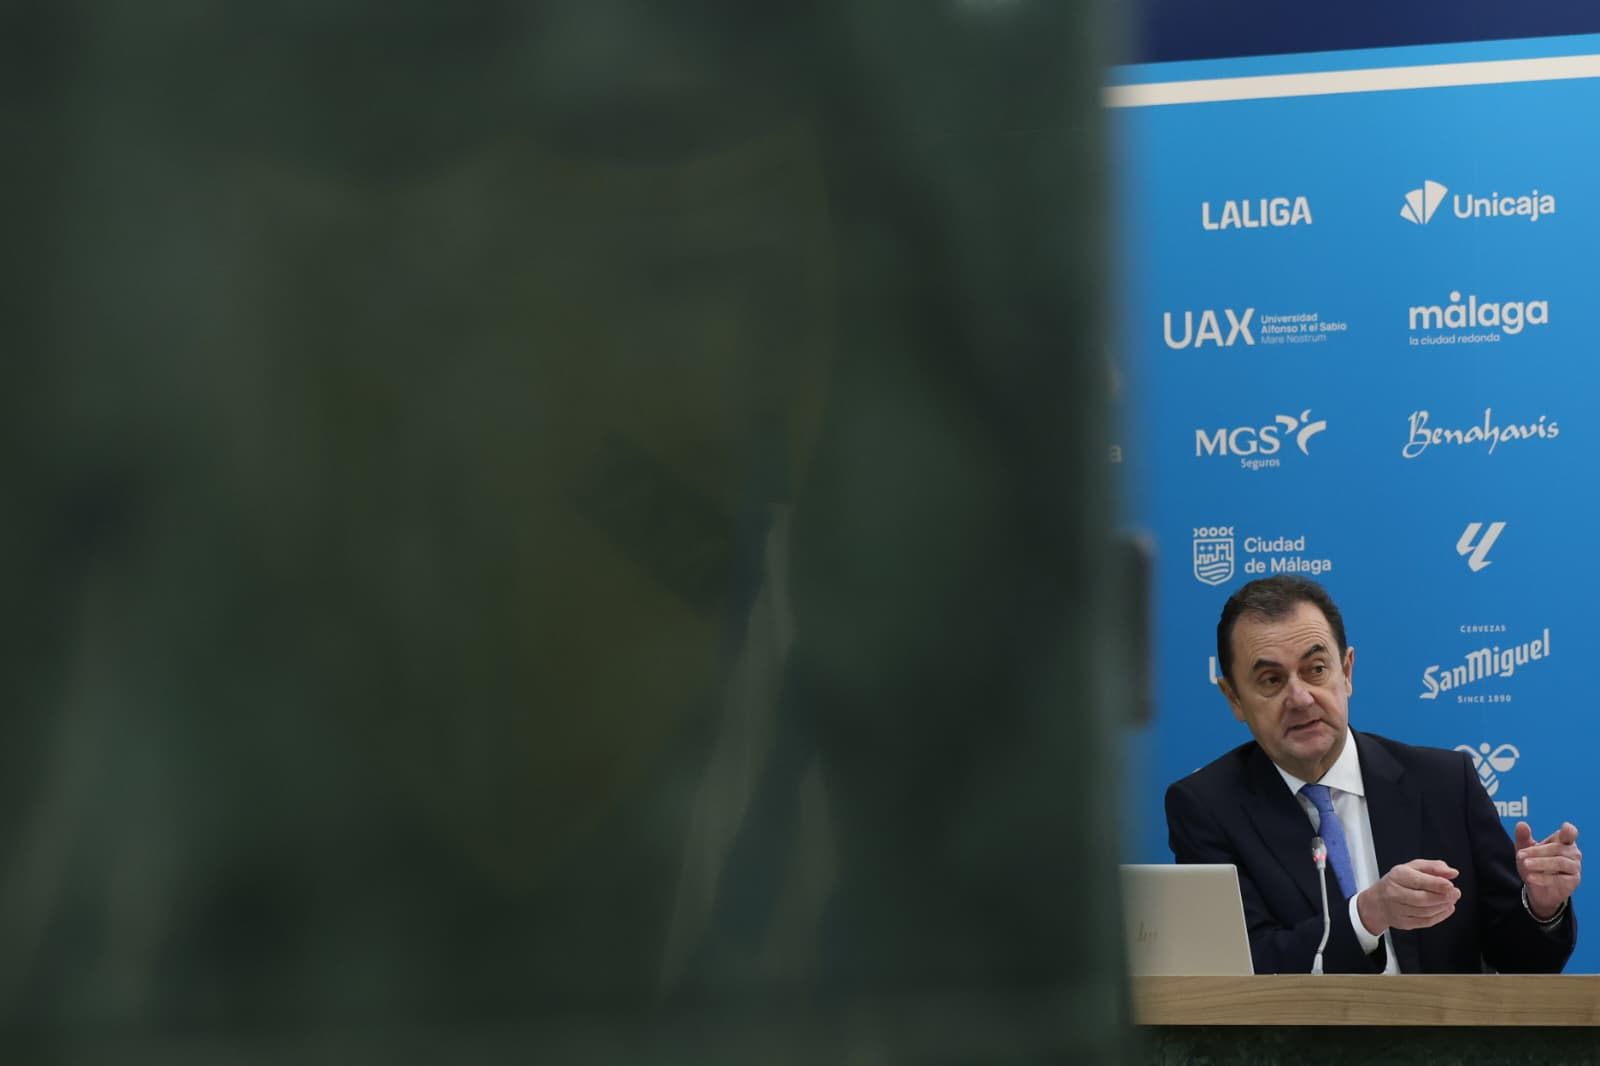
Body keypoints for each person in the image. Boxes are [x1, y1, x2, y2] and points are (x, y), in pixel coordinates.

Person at [1166, 575, 1581, 974]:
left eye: (1316, 669)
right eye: (1272, 680)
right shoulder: (1207, 807)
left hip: (1444, 1025)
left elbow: (1522, 960)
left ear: (1346, 671)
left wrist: (1541, 906)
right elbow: (1244, 966)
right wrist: (1367, 915)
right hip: (1297, 1027)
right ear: (1234, 699)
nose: (1300, 698)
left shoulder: (1445, 784)